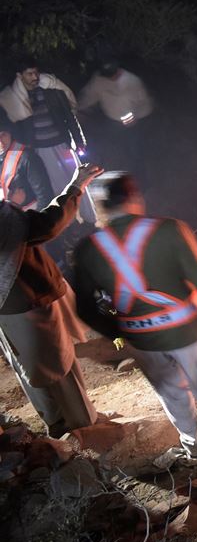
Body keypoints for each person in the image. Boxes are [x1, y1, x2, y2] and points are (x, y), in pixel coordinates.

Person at [73, 172, 197, 459]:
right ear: (135, 198)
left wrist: (119, 333)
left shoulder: (87, 250)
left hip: (141, 338)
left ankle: (193, 446)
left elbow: (84, 307)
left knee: (171, 394)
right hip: (187, 329)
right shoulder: (169, 229)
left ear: (98, 206)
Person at [0, 162, 103, 437]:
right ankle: (84, 428)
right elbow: (46, 226)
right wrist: (76, 186)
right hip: (28, 301)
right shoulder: (4, 218)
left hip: (6, 310)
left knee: (29, 369)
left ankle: (56, 424)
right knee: (60, 366)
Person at [0, 58, 95, 224]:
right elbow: (17, 127)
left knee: (79, 180)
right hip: (41, 150)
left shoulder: (51, 91)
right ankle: (68, 223)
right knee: (57, 188)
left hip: (62, 145)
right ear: (20, 76)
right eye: (29, 74)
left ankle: (89, 218)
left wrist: (78, 141)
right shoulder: (16, 98)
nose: (34, 77)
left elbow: (69, 117)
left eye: (36, 72)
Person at [77, 59, 154, 176]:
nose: (111, 78)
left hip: (131, 125)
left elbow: (144, 103)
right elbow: (90, 95)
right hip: (111, 122)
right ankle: (120, 175)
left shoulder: (132, 81)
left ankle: (142, 179)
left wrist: (136, 116)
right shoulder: (99, 80)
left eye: (113, 74)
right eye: (108, 75)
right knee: (115, 151)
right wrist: (78, 108)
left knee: (135, 152)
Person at [1, 116, 54, 210]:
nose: (0, 142)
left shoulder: (27, 158)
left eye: (3, 135)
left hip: (30, 216)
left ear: (10, 133)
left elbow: (45, 197)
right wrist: (12, 203)